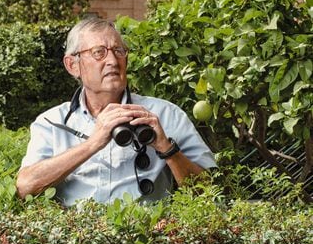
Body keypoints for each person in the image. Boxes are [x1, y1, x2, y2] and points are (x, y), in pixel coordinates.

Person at [16, 18, 217, 206]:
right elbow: (25, 188)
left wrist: (166, 148)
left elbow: (210, 193)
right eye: (99, 52)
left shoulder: (165, 114)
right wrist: (93, 143)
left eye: (119, 51)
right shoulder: (51, 122)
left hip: (149, 237)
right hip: (77, 239)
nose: (113, 60)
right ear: (72, 65)